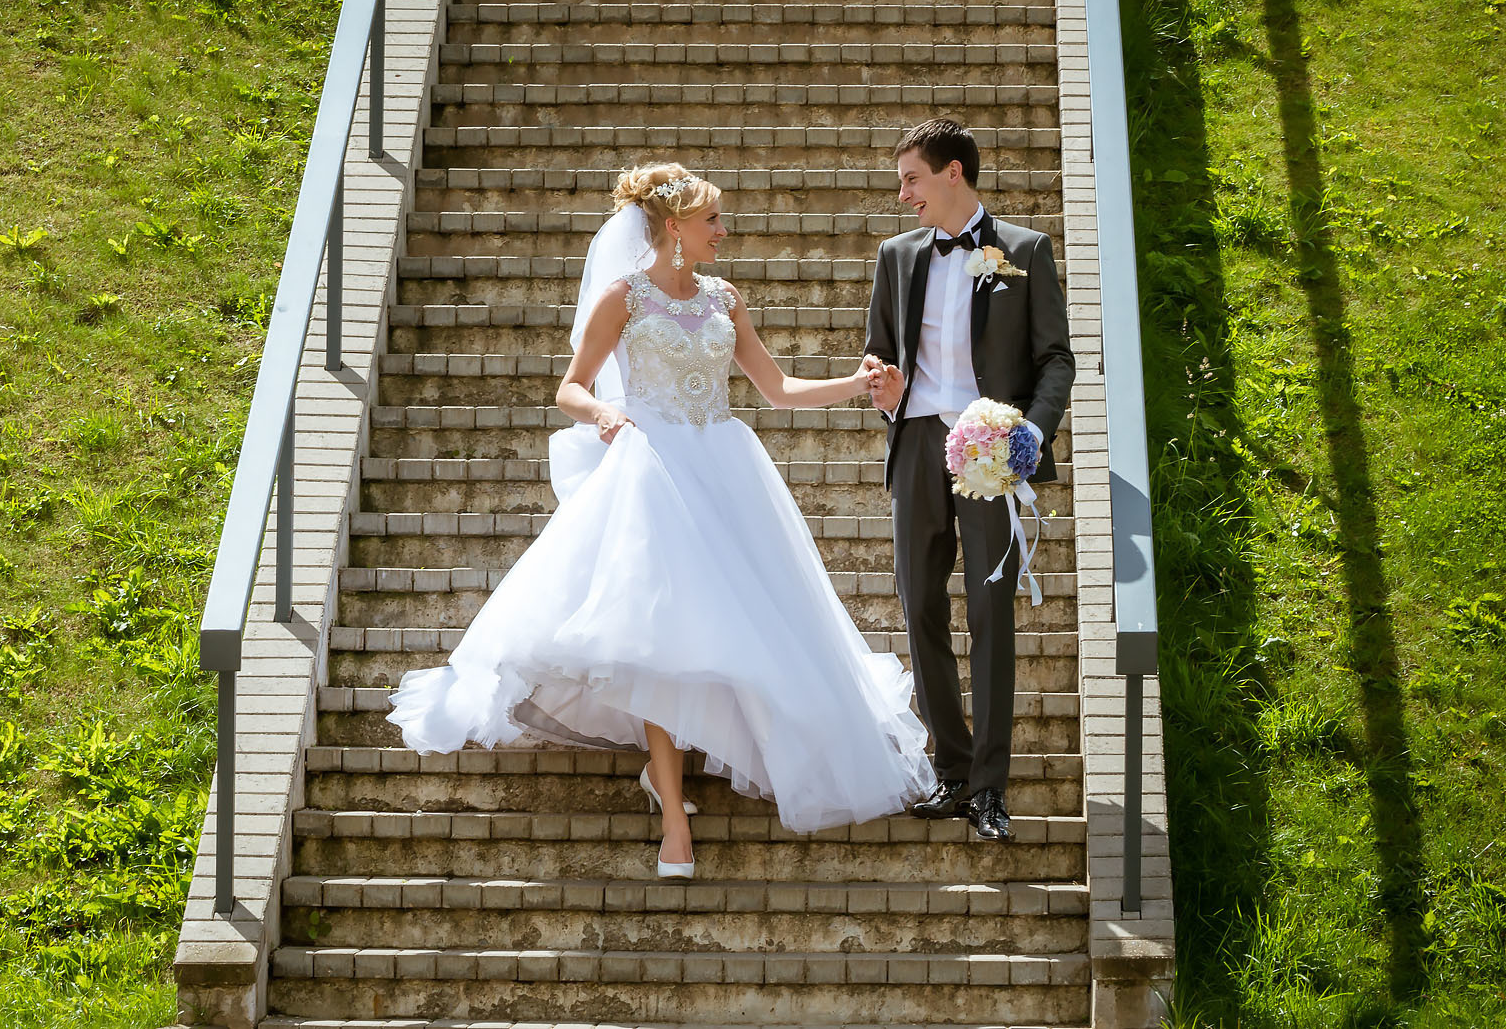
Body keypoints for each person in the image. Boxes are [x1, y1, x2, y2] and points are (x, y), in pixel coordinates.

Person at [389, 161, 934, 878]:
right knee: (658, 638)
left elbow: (775, 389)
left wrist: (859, 384)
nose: (724, 230)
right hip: (651, 472)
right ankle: (674, 816)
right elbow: (570, 387)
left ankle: (675, 774)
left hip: (726, 473)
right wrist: (604, 412)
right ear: (674, 226)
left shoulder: (724, 298)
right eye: (713, 219)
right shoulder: (625, 296)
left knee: (728, 629)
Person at [862, 118, 1075, 843]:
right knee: (921, 607)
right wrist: (881, 387)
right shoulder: (896, 256)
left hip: (990, 453)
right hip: (919, 444)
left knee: (990, 618)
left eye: (912, 179)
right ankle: (950, 772)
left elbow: (1057, 360)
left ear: (954, 173)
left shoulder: (1023, 251)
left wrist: (1028, 435)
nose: (903, 195)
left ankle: (989, 789)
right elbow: (879, 354)